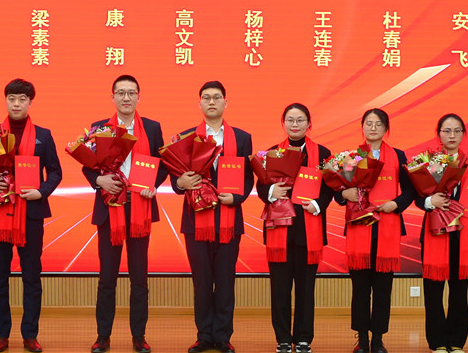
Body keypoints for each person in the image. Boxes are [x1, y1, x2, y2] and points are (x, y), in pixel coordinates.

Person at [0, 79, 63, 353]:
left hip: (31, 213)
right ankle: (1, 334)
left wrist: (41, 191)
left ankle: (30, 335)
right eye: (12, 98)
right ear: (6, 101)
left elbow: (55, 171)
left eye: (22, 99)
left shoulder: (43, 135)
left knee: (31, 275)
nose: (17, 104)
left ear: (30, 102)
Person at [83, 75, 167, 353]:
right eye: (121, 92)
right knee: (107, 278)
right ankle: (103, 336)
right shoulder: (99, 128)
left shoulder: (152, 128)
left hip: (140, 206)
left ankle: (139, 336)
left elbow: (163, 164)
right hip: (110, 208)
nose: (126, 97)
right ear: (113, 97)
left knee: (139, 278)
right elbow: (87, 165)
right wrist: (99, 180)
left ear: (138, 97)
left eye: (131, 93)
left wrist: (153, 184)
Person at [169, 81, 254, 353]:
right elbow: (174, 179)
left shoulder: (242, 138)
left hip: (229, 219)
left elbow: (248, 178)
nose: (212, 102)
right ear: (200, 104)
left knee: (226, 280)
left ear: (225, 103)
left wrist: (237, 198)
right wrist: (180, 182)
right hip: (195, 220)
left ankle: (223, 336)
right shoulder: (185, 138)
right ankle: (204, 335)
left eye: (217, 97)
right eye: (206, 98)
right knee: (202, 281)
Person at [253, 104, 334, 353]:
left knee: (306, 290)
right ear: (283, 123)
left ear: (309, 123)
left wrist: (318, 205)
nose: (295, 124)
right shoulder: (272, 153)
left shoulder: (322, 153)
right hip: (279, 230)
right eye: (290, 119)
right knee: (279, 289)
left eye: (300, 120)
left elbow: (331, 186)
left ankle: (303, 339)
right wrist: (271, 191)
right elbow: (261, 185)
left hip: (308, 230)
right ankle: (282, 339)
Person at [335, 108, 415, 353]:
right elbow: (338, 192)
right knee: (360, 290)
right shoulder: (352, 156)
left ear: (386, 128)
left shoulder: (399, 156)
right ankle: (362, 339)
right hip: (360, 227)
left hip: (387, 228)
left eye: (378, 124)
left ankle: (378, 339)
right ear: (362, 127)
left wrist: (396, 204)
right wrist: (344, 194)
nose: (373, 128)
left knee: (382, 290)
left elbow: (410, 190)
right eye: (368, 123)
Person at [421, 114, 468, 353]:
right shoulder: (427, 163)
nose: (452, 135)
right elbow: (418, 198)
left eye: (457, 131)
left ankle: (456, 342)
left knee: (459, 291)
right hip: (435, 232)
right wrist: (430, 201)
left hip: (462, 234)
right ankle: (437, 342)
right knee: (433, 292)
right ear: (439, 134)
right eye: (446, 131)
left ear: (463, 134)